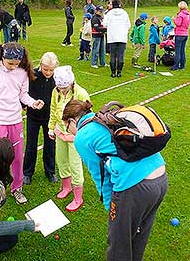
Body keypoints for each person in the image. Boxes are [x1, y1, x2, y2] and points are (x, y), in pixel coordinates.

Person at [62, 100, 168, 261]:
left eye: (66, 126)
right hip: (160, 178)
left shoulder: (82, 138)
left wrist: (111, 208)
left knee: (119, 244)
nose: (68, 130)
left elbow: (100, 176)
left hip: (135, 187)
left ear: (72, 121)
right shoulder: (105, 119)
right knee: (139, 233)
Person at [0, 42, 45, 205]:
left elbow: (23, 95)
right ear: (2, 57)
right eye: (10, 63)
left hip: (15, 121)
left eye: (16, 64)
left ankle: (17, 188)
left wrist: (32, 103)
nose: (13, 67)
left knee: (16, 157)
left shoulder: (22, 73)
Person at [48, 65, 90, 212]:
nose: (61, 90)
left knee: (74, 164)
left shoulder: (81, 94)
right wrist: (51, 127)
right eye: (59, 87)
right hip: (60, 132)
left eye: (64, 88)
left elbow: (87, 119)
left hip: (75, 136)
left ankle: (78, 196)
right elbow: (53, 109)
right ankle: (66, 187)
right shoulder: (55, 92)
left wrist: (81, 136)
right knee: (62, 160)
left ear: (71, 82)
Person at [23, 52, 59, 185]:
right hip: (33, 116)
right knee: (31, 145)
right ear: (41, 66)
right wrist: (25, 105)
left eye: (51, 70)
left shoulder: (57, 79)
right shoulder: (33, 76)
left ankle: (50, 171)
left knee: (50, 145)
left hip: (50, 118)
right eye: (45, 69)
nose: (48, 73)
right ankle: (27, 172)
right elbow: (24, 92)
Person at [103, 0, 131, 78]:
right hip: (122, 37)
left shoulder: (109, 14)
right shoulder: (125, 13)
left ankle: (113, 72)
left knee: (113, 55)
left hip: (112, 37)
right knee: (120, 55)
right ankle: (119, 72)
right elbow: (128, 25)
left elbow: (104, 24)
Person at [171, 1, 190, 71]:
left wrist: (174, 19)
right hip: (185, 34)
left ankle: (176, 66)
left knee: (177, 51)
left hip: (179, 34)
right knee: (182, 50)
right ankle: (182, 66)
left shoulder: (180, 15)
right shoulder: (188, 14)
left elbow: (178, 23)